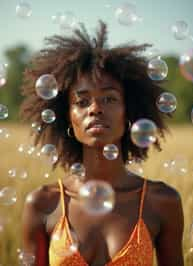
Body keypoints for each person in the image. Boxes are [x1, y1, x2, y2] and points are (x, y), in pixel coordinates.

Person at [21, 20, 184, 266]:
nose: (95, 109)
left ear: (129, 113)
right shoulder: (43, 203)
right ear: (67, 117)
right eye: (82, 101)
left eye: (109, 99)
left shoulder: (162, 201)